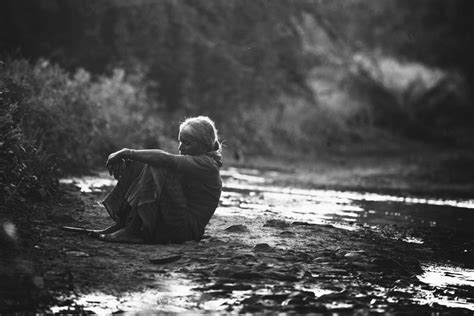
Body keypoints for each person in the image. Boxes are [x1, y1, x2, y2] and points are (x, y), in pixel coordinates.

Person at [93, 116, 223, 244]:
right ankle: (123, 225)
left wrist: (126, 152)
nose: (180, 148)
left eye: (187, 143)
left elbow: (166, 159)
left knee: (158, 164)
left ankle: (133, 230)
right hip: (173, 219)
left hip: (185, 230)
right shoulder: (196, 160)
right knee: (142, 162)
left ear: (204, 145)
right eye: (180, 142)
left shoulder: (207, 164)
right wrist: (128, 160)